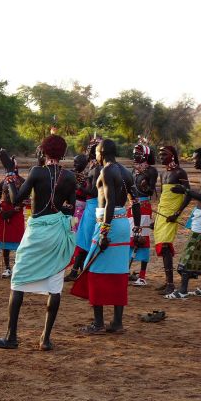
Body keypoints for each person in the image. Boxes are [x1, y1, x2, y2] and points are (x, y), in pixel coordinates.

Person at [0, 134, 76, 350]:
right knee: (55, 285)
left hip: (36, 233)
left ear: (44, 152)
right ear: (63, 154)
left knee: (18, 280)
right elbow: (71, 208)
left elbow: (16, 199)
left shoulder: (37, 171)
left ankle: (11, 337)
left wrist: (10, 175)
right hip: (57, 233)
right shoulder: (69, 177)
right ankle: (45, 339)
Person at [72, 138, 140, 335]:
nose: (95, 156)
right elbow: (135, 201)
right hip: (122, 224)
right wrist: (136, 228)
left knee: (94, 269)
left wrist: (104, 231)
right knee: (119, 271)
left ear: (101, 153)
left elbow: (109, 202)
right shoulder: (126, 172)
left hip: (107, 223)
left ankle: (98, 324)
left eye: (96, 153)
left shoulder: (106, 171)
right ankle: (117, 323)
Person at [165, 147, 201, 299]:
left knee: (189, 253)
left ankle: (182, 290)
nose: (193, 161)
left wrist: (185, 190)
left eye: (195, 158)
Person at [152, 145, 190, 295]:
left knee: (166, 246)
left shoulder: (180, 172)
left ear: (172, 155)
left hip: (173, 214)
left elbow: (189, 194)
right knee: (162, 247)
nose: (161, 157)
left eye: (164, 154)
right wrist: (157, 218)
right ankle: (168, 282)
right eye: (160, 155)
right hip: (162, 213)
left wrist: (177, 213)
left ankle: (171, 284)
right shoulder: (162, 174)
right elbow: (163, 196)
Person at [66, 138, 102, 280]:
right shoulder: (93, 168)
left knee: (83, 240)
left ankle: (78, 271)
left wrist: (78, 186)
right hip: (87, 207)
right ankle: (79, 270)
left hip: (90, 207)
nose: (87, 153)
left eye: (90, 150)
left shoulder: (96, 169)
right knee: (81, 239)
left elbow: (93, 192)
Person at [128, 138, 158, 286]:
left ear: (145, 155)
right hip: (132, 206)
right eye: (134, 153)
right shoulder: (134, 170)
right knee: (130, 238)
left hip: (144, 206)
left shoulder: (151, 170)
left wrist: (145, 182)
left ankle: (142, 276)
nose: (135, 156)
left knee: (142, 239)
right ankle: (126, 271)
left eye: (138, 154)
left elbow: (151, 191)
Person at [0, 160, 25, 278]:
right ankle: (7, 268)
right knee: (5, 242)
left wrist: (16, 209)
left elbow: (26, 198)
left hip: (17, 212)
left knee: (18, 241)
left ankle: (17, 267)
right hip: (4, 212)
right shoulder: (3, 182)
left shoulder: (23, 182)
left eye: (14, 168)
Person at [71, 154, 89, 233]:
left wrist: (78, 187)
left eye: (76, 163)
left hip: (81, 206)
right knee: (73, 227)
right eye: (74, 162)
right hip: (73, 206)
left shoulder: (87, 176)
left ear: (83, 164)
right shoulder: (72, 174)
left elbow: (87, 193)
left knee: (76, 228)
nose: (74, 165)